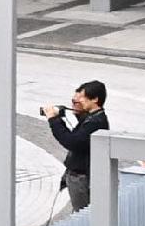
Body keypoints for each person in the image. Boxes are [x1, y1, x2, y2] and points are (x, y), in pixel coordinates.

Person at [46, 81, 108, 214]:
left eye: (82, 97)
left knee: (82, 215)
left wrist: (53, 120)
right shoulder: (93, 118)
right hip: (78, 175)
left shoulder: (96, 122)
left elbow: (72, 142)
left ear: (95, 99)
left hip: (81, 177)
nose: (78, 100)